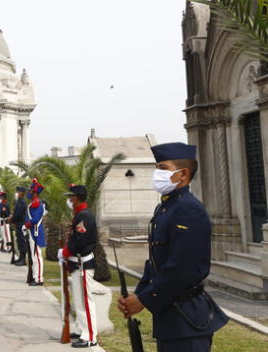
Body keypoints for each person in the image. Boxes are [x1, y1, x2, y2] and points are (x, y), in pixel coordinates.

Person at [118, 142, 229, 352]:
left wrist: (144, 300)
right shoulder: (165, 208)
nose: (156, 174)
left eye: (162, 168)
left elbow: (180, 268)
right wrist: (137, 294)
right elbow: (155, 262)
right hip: (171, 315)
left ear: (183, 174)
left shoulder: (189, 210)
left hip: (187, 318)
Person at [58, 184, 98, 348]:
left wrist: (66, 252)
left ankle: (90, 336)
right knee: (79, 301)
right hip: (76, 263)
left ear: (76, 198)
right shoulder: (79, 214)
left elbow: (80, 241)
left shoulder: (84, 216)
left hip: (83, 264)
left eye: (70, 196)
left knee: (86, 302)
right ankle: (81, 329)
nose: (68, 199)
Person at [25, 179, 46, 287]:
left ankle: (39, 278)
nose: (29, 193)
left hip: (35, 232)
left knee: (37, 256)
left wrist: (27, 225)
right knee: (34, 257)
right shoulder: (33, 203)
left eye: (31, 191)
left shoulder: (37, 204)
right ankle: (35, 276)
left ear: (35, 193)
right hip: (32, 231)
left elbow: (36, 219)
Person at [11, 187, 28, 266]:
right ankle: (20, 257)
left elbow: (18, 214)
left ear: (22, 193)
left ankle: (23, 259)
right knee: (19, 241)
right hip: (18, 224)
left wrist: (12, 219)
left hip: (21, 224)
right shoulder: (18, 202)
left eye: (18, 192)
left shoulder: (22, 203)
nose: (17, 193)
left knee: (21, 242)